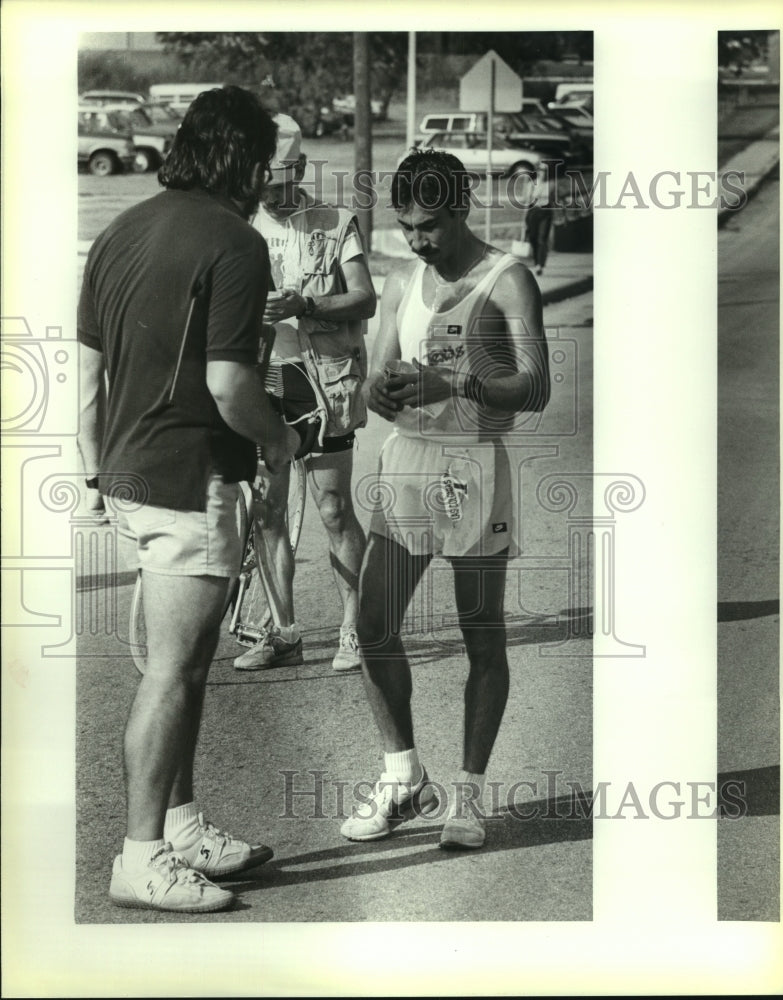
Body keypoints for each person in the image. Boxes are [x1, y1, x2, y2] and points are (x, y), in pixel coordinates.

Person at [77, 87, 299, 913]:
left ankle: (179, 825)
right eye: (264, 165)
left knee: (190, 662)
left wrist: (100, 474)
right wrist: (279, 440)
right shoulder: (236, 242)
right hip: (191, 474)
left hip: (134, 475)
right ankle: (140, 858)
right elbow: (231, 384)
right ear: (241, 160)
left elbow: (86, 377)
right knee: (172, 672)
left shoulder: (121, 230)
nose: (267, 182)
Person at [340, 148, 551, 850]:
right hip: (406, 462)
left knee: (480, 634)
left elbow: (536, 386)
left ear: (461, 208)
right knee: (372, 624)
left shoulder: (507, 278)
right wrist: (379, 388)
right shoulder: (403, 278)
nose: (418, 239)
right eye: (406, 226)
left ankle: (467, 796)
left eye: (429, 225)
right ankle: (403, 776)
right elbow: (374, 375)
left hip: (472, 467)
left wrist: (457, 385)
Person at [233, 113, 377, 673]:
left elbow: (364, 298)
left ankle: (354, 629)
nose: (273, 189)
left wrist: (306, 304)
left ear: (299, 169)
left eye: (282, 177)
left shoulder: (335, 221)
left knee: (335, 508)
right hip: (263, 383)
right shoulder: (236, 224)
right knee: (267, 511)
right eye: (263, 178)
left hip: (325, 384)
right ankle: (282, 631)